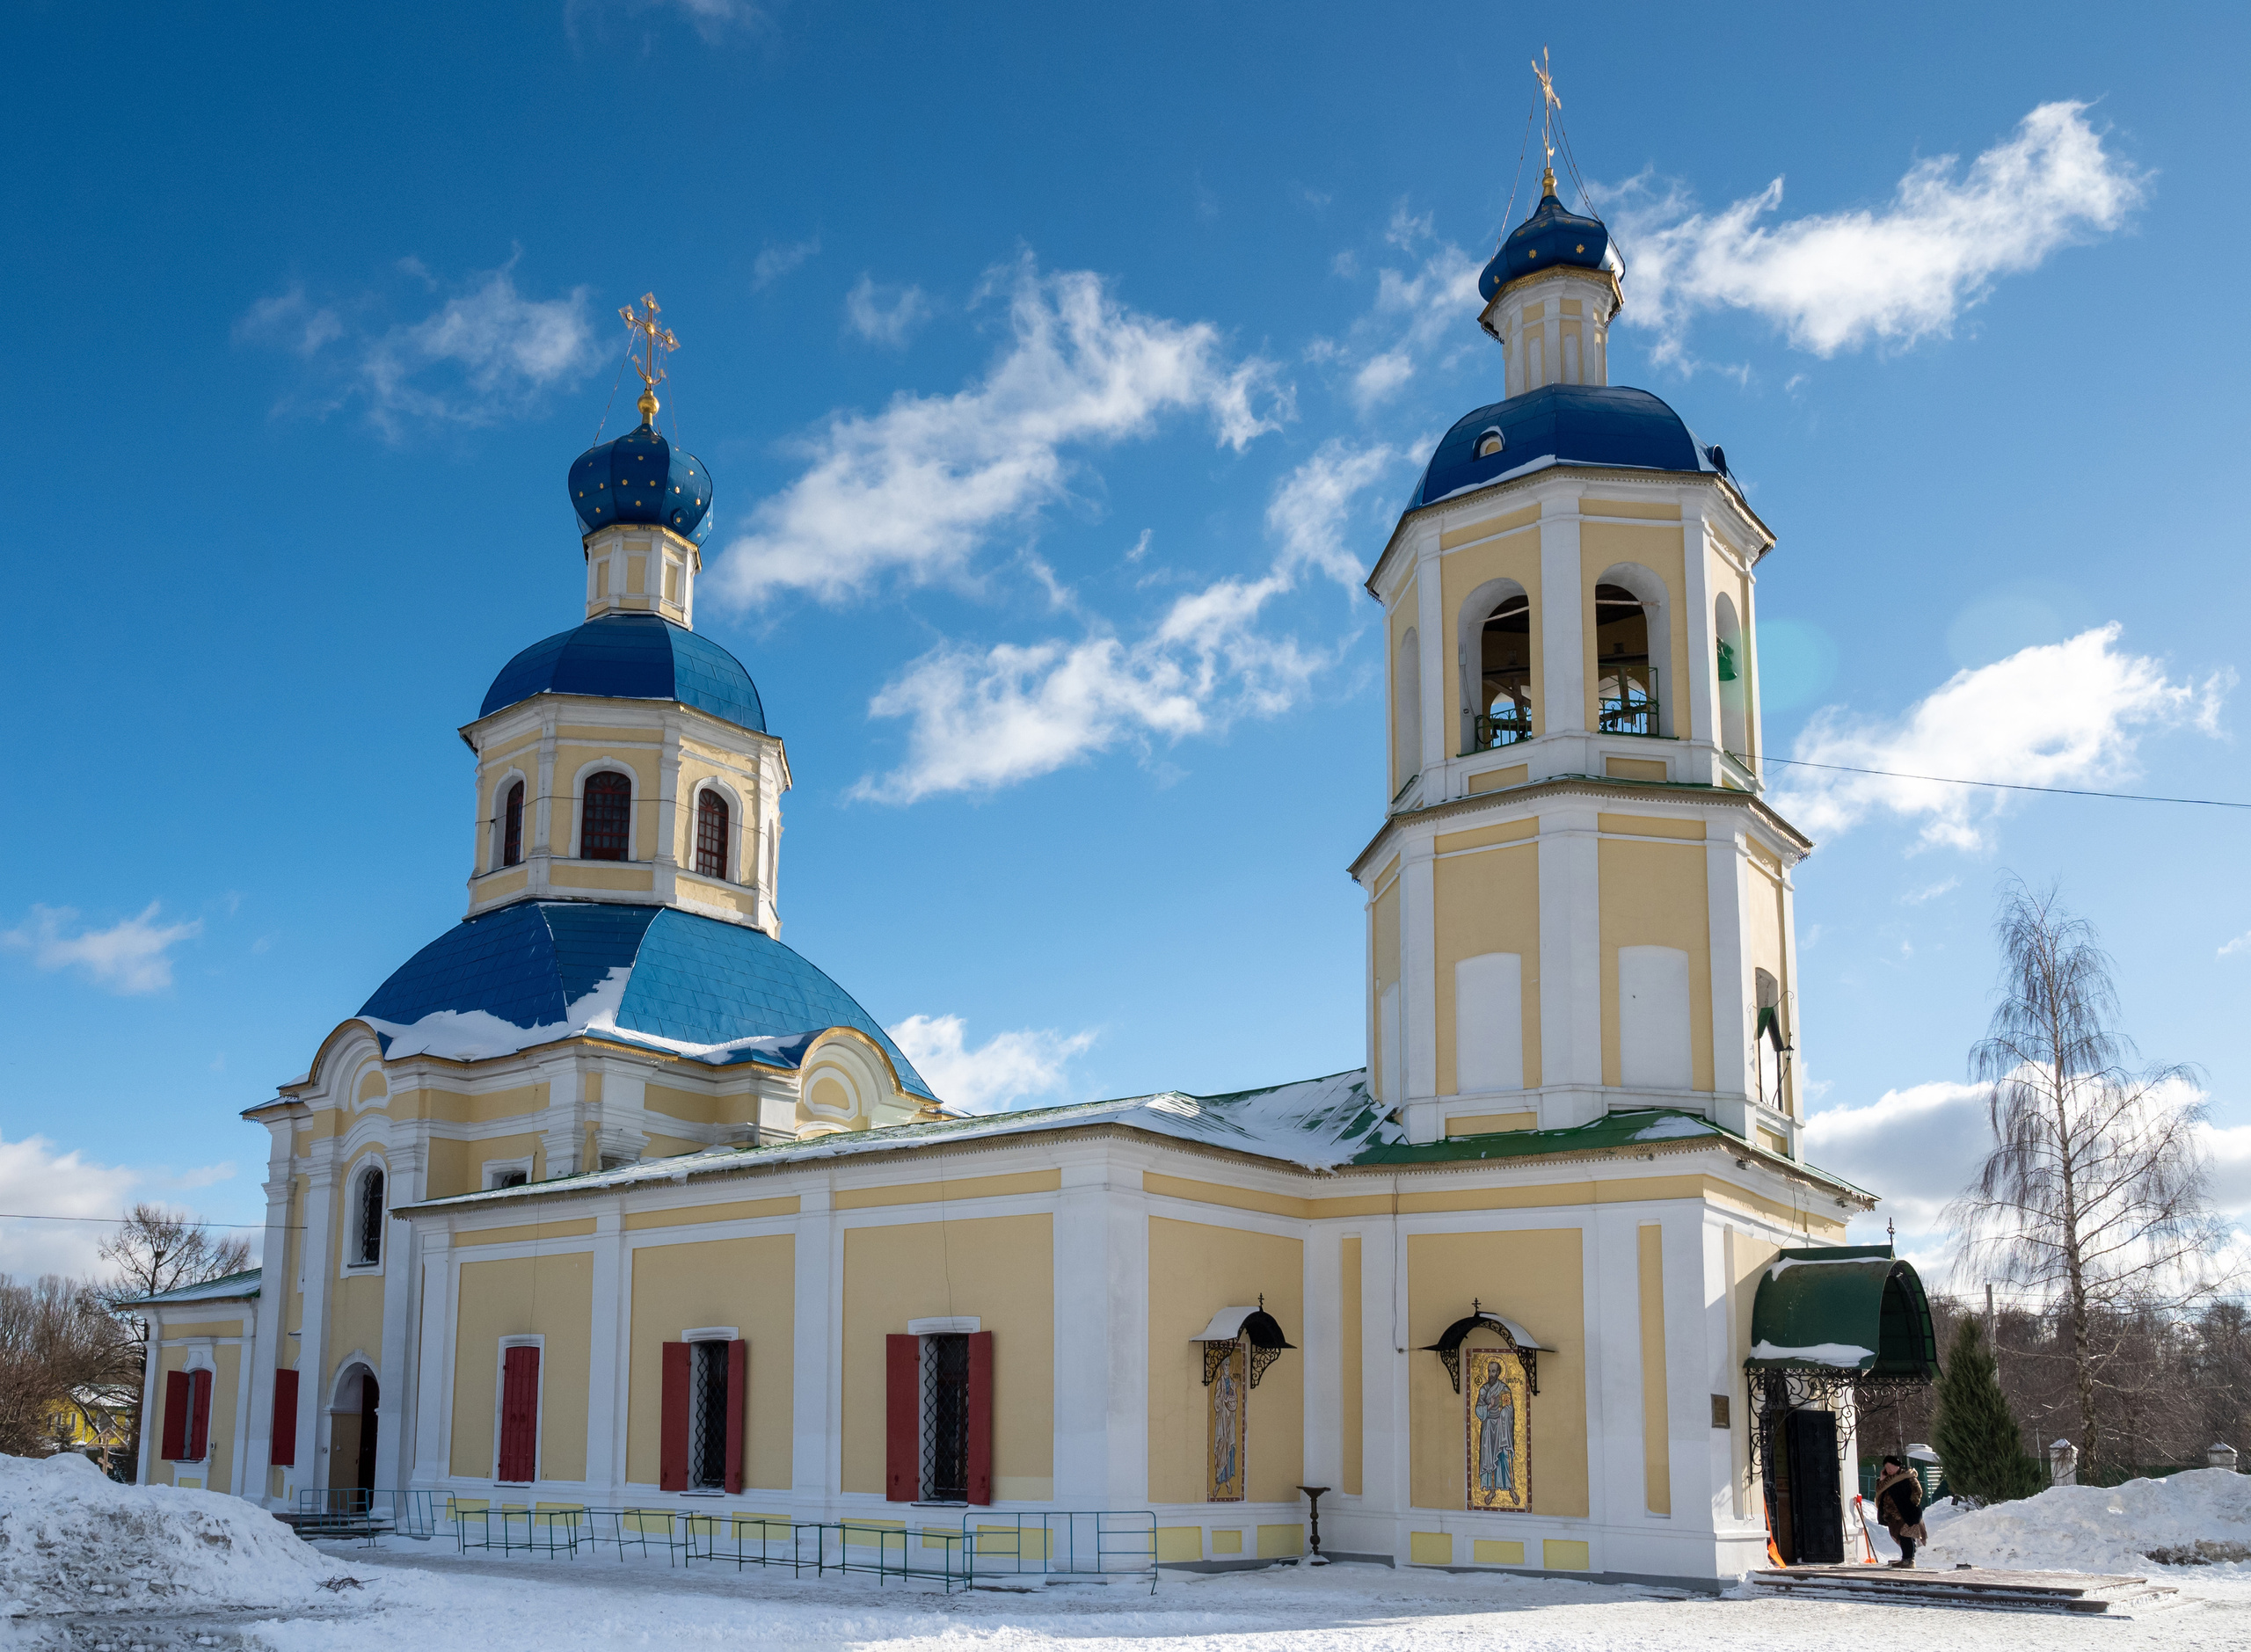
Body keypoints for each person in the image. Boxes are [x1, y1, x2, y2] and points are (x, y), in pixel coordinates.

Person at [1872, 1454, 1928, 1568]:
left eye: (1890, 1467)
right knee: (1899, 1535)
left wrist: (1910, 1504)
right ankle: (1906, 1558)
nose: (1889, 1470)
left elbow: (1917, 1491)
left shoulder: (1907, 1476)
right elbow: (1879, 1492)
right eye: (1886, 1468)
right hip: (1892, 1515)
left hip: (1906, 1512)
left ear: (1897, 1466)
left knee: (1906, 1535)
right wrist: (1882, 1479)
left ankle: (1908, 1560)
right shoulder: (1886, 1479)